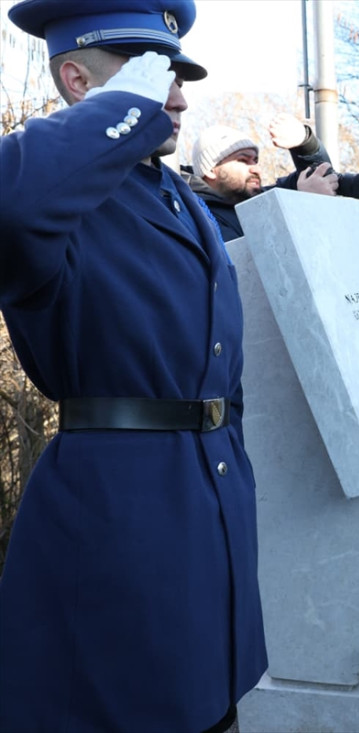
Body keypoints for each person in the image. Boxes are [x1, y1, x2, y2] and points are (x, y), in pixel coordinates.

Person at [0, 1, 265, 731]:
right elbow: (11, 208)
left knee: (213, 706)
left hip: (207, 502)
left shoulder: (177, 196)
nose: (175, 94)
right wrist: (122, 109)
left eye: (175, 73)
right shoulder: (60, 196)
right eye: (150, 74)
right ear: (78, 81)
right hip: (122, 517)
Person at [183, 115, 340, 241]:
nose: (256, 168)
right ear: (210, 170)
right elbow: (257, 264)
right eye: (243, 160)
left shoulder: (264, 198)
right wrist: (305, 206)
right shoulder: (196, 214)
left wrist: (305, 143)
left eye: (255, 160)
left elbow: (321, 175)